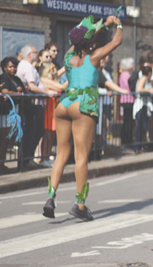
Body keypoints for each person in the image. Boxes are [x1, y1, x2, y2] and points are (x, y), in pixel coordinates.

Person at [42, 14, 123, 221]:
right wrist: (117, 24)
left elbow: (79, 39)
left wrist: (102, 24)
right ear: (91, 43)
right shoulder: (93, 57)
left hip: (65, 103)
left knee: (61, 154)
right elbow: (117, 41)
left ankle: (51, 197)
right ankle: (80, 205)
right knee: (81, 157)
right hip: (83, 105)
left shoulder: (69, 57)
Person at [16, 44, 57, 167]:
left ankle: (27, 159)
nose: (37, 54)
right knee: (33, 132)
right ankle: (26, 160)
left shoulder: (27, 66)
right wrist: (46, 93)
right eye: (35, 52)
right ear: (29, 55)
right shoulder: (27, 67)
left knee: (36, 131)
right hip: (33, 104)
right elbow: (32, 86)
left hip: (35, 103)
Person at [0, 57, 25, 174]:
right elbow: (5, 92)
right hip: (5, 113)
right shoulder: (3, 77)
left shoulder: (16, 78)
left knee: (7, 140)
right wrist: (18, 93)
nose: (13, 69)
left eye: (14, 66)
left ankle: (3, 163)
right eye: (10, 66)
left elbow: (24, 90)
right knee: (3, 139)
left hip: (15, 112)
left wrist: (17, 93)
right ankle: (1, 164)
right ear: (4, 68)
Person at [133, 63, 153, 153]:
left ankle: (141, 146)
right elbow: (139, 89)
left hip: (145, 105)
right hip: (140, 105)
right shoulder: (143, 78)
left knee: (144, 127)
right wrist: (149, 90)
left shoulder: (148, 80)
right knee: (140, 127)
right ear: (149, 72)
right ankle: (136, 147)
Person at [118, 58, 136, 147]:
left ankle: (127, 140)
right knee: (128, 122)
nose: (133, 66)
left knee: (128, 121)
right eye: (132, 64)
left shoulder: (124, 74)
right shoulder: (126, 75)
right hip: (128, 100)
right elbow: (129, 87)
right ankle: (127, 141)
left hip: (127, 100)